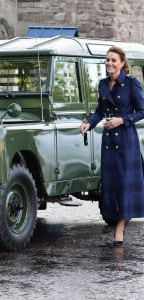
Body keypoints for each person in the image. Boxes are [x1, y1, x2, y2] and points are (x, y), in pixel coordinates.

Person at [80, 46, 144, 245]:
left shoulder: (132, 84)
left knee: (125, 185)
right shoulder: (102, 84)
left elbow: (142, 111)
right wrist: (89, 123)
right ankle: (115, 218)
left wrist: (122, 120)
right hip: (108, 141)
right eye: (107, 60)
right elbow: (100, 110)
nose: (109, 63)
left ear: (122, 63)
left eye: (113, 60)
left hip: (126, 139)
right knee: (111, 185)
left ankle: (120, 227)